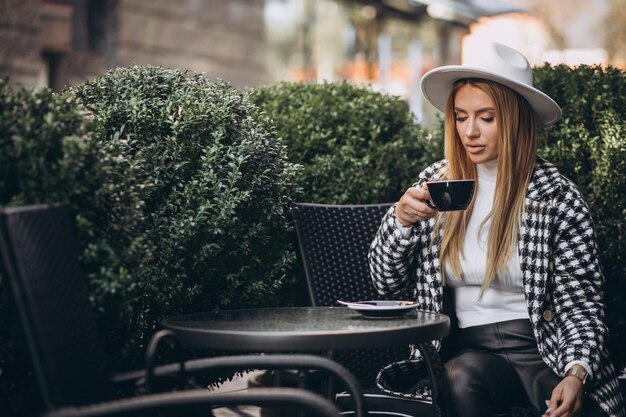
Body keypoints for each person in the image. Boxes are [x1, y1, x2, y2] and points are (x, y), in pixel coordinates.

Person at [368, 43, 625, 417]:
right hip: (469, 352)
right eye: (460, 117)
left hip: (546, 352)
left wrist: (576, 372)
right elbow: (385, 286)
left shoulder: (556, 197)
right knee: (459, 380)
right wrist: (401, 222)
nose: (469, 131)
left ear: (515, 120)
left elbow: (581, 303)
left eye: (486, 118)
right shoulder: (436, 185)